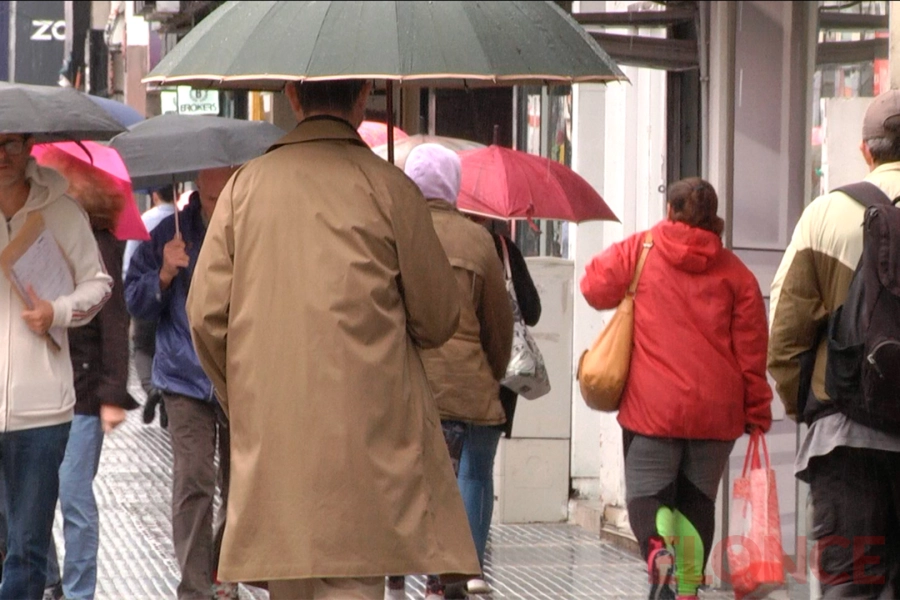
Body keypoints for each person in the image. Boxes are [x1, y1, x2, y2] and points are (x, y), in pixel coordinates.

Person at [185, 80, 480, 600]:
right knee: (354, 578)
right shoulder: (390, 188)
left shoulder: (243, 188)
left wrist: (245, 399)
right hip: (367, 444)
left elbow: (206, 316)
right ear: (364, 95)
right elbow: (438, 318)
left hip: (275, 439)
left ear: (293, 97)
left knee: (289, 582)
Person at [580, 177, 772, 600]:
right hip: (716, 414)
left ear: (669, 211)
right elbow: (752, 352)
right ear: (715, 219)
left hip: (654, 409)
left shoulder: (642, 250)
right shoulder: (737, 275)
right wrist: (757, 409)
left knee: (647, 499)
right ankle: (686, 592)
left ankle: (655, 551)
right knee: (698, 503)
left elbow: (593, 287)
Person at [768, 89, 900, 598]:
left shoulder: (827, 214)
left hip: (846, 441)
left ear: (867, 151)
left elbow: (785, 333)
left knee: (852, 585)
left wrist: (809, 410)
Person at [386, 144, 513, 600]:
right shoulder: (478, 239)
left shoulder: (394, 231)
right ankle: (458, 576)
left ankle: (397, 573)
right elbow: (499, 325)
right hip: (467, 387)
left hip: (406, 388)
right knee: (472, 478)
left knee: (403, 480)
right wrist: (491, 375)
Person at [0, 133, 112, 600]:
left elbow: (98, 284)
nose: (2, 155)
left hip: (42, 413)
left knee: (28, 548)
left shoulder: (62, 212)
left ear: (28, 146)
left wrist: (57, 311)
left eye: (10, 143)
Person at [124, 168, 238, 600]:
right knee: (194, 480)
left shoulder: (249, 229)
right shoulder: (170, 233)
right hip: (184, 377)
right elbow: (135, 300)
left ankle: (223, 572)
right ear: (197, 185)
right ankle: (195, 587)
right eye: (209, 192)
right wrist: (165, 275)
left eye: (224, 185)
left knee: (239, 482)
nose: (216, 197)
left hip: (236, 376)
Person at [35, 145, 139, 600]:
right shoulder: (42, 229)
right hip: (42, 388)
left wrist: (113, 394)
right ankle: (52, 580)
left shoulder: (99, 241)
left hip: (83, 391)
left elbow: (115, 322)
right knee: (35, 500)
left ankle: (79, 593)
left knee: (74, 497)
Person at [464, 218, 541, 596]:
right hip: (500, 376)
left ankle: (437, 570)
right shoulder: (503, 249)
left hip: (446, 372)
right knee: (477, 471)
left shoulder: (432, 238)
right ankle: (472, 567)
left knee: (444, 471)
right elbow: (533, 310)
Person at [123, 185, 176, 427]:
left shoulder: (143, 221)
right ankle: (168, 392)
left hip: (146, 295)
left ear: (155, 195)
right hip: (175, 302)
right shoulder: (180, 221)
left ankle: (153, 388)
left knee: (143, 347)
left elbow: (130, 263)